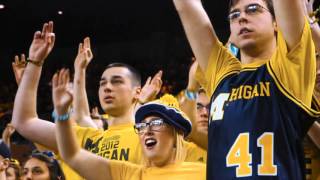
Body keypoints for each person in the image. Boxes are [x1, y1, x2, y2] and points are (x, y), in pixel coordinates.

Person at [174, 0, 320, 179]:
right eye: (234, 15)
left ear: (276, 23)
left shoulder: (289, 69)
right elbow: (186, 6)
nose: (242, 17)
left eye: (253, 9)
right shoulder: (221, 74)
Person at [51, 68, 205, 179]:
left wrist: (192, 88)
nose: (147, 130)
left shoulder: (204, 173)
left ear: (176, 135)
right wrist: (62, 113)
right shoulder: (128, 174)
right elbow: (73, 155)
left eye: (156, 122)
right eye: (142, 126)